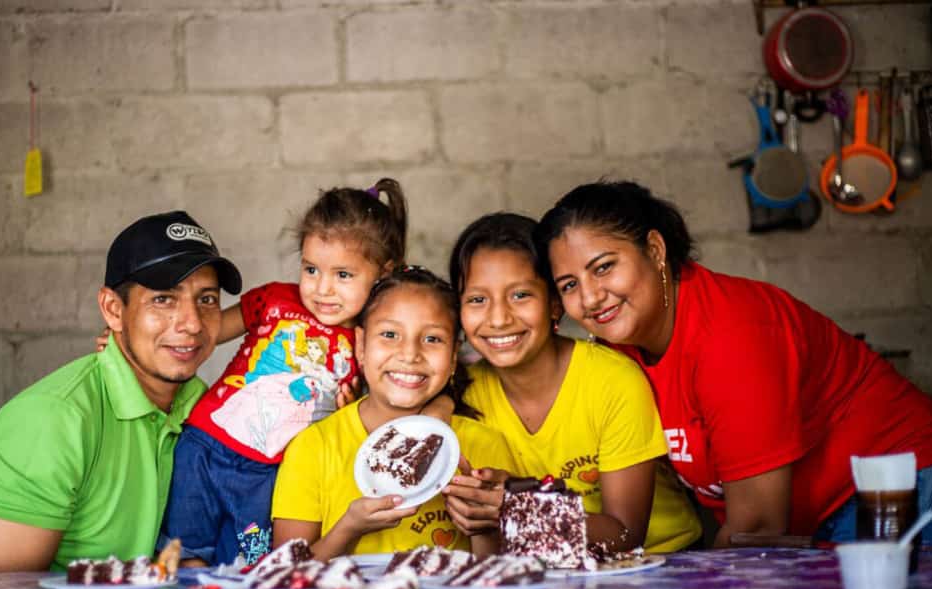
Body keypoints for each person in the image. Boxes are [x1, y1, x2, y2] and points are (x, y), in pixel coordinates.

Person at [535, 180, 932, 546]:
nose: (589, 298)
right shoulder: (620, 345)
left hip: (897, 493)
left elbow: (758, 529)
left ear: (655, 251)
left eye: (604, 267)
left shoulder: (730, 333)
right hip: (810, 527)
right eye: (569, 285)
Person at [0, 211, 241, 574]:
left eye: (207, 300)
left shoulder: (204, 405)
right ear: (113, 310)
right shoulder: (50, 421)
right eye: (163, 300)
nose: (191, 323)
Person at [162, 179, 408, 567]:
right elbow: (204, 331)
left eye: (343, 275)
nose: (323, 288)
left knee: (245, 568)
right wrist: (128, 345)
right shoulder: (276, 298)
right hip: (205, 448)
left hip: (271, 474)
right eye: (311, 269)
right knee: (182, 556)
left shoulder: (373, 338)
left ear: (383, 273)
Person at [445, 213, 701, 553]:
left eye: (520, 295)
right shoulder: (467, 395)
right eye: (477, 300)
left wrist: (518, 505)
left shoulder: (612, 381)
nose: (498, 318)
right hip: (554, 576)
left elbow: (625, 535)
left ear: (554, 303)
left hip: (665, 565)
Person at [272, 268, 520, 560]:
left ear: (454, 356)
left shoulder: (484, 445)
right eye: (390, 335)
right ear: (361, 346)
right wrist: (349, 529)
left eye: (432, 339)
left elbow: (507, 572)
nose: (409, 354)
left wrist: (484, 527)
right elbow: (285, 572)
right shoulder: (314, 447)